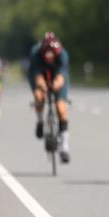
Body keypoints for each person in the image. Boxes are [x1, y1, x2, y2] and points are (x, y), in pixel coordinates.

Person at [28, 32, 71, 163]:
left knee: (61, 107)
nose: (49, 58)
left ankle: (65, 147)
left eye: (52, 56)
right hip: (40, 73)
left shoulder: (62, 54)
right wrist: (43, 87)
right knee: (39, 97)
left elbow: (62, 75)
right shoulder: (36, 54)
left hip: (57, 75)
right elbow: (37, 76)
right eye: (47, 55)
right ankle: (40, 121)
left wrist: (56, 85)